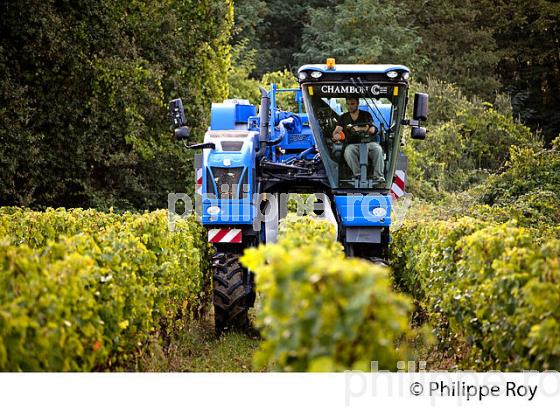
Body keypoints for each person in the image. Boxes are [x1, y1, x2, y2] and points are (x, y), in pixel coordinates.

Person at [332, 97, 385, 183]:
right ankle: (357, 174)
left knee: (378, 149)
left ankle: (378, 177)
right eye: (348, 104)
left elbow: (371, 129)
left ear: (357, 104)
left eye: (352, 104)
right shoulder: (343, 117)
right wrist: (336, 135)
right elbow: (336, 131)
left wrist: (359, 128)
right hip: (353, 145)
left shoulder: (366, 115)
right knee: (348, 151)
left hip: (368, 143)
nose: (350, 106)